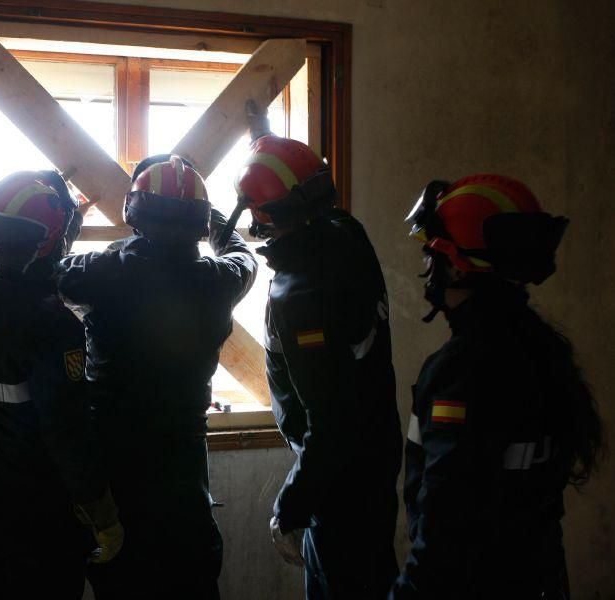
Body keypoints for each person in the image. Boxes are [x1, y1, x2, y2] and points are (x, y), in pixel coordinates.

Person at [390, 174, 605, 599]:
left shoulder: (461, 371)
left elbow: (446, 533)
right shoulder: (538, 348)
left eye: (433, 252)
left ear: (457, 265)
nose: (427, 266)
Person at [57, 154, 257, 600]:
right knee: (191, 580)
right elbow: (244, 256)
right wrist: (216, 222)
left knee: (121, 581)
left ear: (133, 210)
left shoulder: (99, 274)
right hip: (182, 469)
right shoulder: (218, 281)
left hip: (114, 467)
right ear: (199, 222)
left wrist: (68, 224)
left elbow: (49, 270)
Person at [229, 132, 402, 599]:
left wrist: (292, 507)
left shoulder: (299, 297)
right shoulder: (348, 234)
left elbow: (330, 422)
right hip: (374, 453)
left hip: (339, 478)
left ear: (262, 213)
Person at [0, 170, 123, 600]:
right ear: (50, 241)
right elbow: (67, 432)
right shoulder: (52, 326)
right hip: (41, 516)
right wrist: (102, 514)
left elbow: (15, 274)